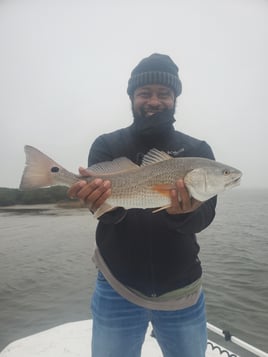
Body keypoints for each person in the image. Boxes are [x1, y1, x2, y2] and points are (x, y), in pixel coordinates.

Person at [68, 53, 217, 357]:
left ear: (175, 98)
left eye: (164, 93)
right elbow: (107, 217)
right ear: (132, 97)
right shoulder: (107, 145)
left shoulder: (198, 151)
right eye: (144, 93)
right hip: (117, 286)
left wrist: (183, 215)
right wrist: (99, 204)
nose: (154, 101)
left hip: (181, 290)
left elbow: (205, 216)